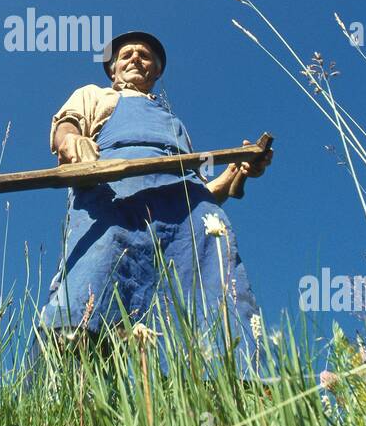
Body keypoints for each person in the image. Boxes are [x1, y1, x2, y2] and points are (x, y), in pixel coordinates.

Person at [38, 30, 272, 368]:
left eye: (144, 56)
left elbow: (202, 194)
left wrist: (237, 171)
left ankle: (227, 390)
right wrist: (73, 143)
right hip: (114, 192)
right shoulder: (96, 95)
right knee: (91, 286)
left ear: (156, 72)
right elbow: (67, 126)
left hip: (186, 209)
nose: (135, 58)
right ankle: (70, 398)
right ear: (113, 69)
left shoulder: (173, 123)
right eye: (127, 54)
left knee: (212, 293)